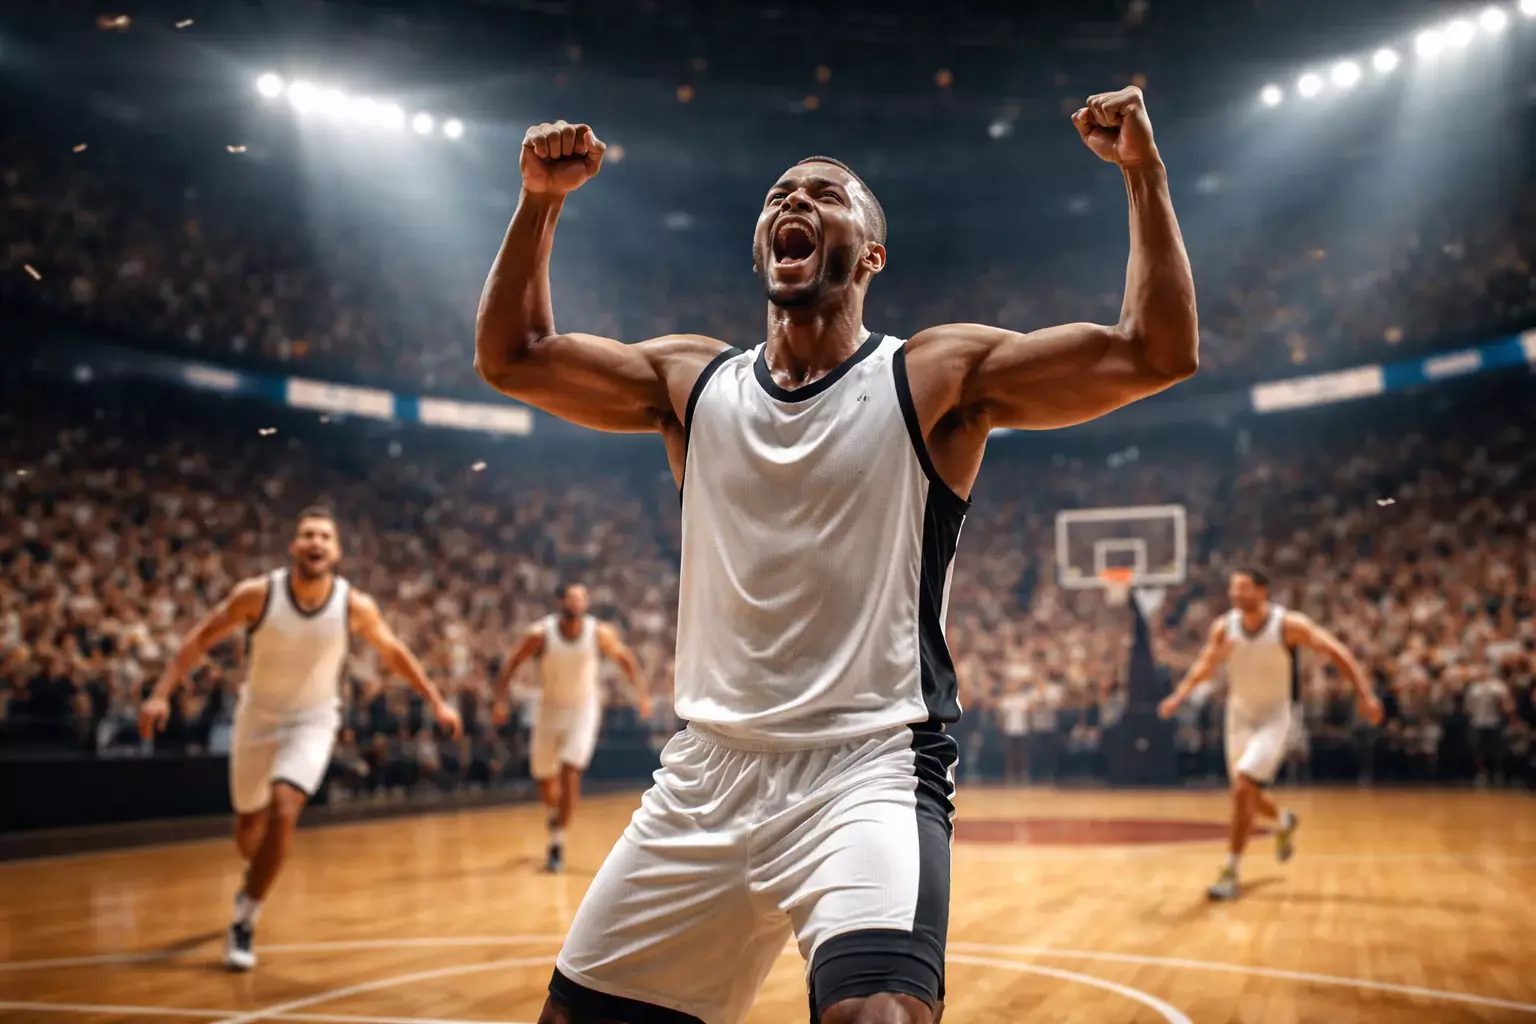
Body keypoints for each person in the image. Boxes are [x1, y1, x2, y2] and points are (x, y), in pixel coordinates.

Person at [475, 85, 1198, 1024]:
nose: (793, 202)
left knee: (879, 1016)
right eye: (780, 194)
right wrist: (539, 202)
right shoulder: (692, 382)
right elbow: (514, 355)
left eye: (824, 192)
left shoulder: (934, 375)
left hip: (868, 767)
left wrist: (1144, 174)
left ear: (872, 252)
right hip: (706, 773)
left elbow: (1156, 351)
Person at [138, 507, 462, 970]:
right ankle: (255, 877)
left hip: (314, 719)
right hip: (257, 718)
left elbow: (393, 652)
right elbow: (200, 638)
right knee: (248, 830)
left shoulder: (354, 603)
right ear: (294, 546)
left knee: (285, 806)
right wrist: (160, 694)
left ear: (336, 551)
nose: (315, 542)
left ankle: (245, 917)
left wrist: (435, 700)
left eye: (325, 537)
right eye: (307, 534)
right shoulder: (257, 594)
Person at [1158, 569, 1382, 901]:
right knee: (1244, 791)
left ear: (1262, 591)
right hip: (1238, 717)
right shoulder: (1223, 627)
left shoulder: (1288, 625)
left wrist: (1365, 694)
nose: (1236, 594)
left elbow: (1338, 652)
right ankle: (1283, 821)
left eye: (1244, 588)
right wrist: (1179, 695)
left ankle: (1230, 871)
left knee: (1244, 786)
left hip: (1277, 717)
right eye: (1234, 588)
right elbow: (1205, 664)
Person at [494, 583, 648, 872]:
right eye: (572, 597)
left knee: (570, 768)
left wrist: (641, 694)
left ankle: (557, 842)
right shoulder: (540, 634)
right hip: (549, 710)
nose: (577, 602)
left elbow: (625, 658)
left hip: (583, 710)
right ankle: (555, 814)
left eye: (582, 597)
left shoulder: (597, 632)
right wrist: (499, 701)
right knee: (544, 777)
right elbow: (512, 663)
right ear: (560, 601)